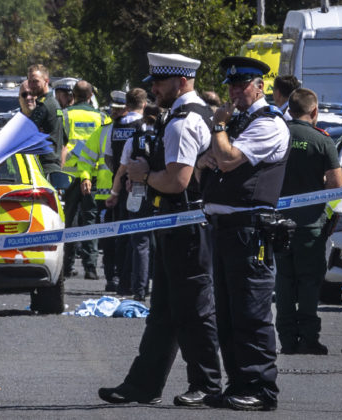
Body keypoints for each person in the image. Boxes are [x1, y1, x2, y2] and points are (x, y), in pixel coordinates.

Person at [98, 53, 222, 408]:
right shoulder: (195, 114)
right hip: (179, 225)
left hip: (185, 225)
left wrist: (143, 176)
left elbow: (176, 180)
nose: (153, 89)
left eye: (160, 82)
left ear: (181, 82)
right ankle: (142, 384)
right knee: (164, 311)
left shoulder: (183, 121)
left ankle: (207, 384)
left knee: (194, 311)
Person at [198, 56, 290, 411]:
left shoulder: (268, 123)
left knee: (251, 312)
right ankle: (238, 382)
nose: (235, 92)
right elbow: (208, 160)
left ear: (260, 86)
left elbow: (226, 159)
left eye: (242, 85)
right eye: (232, 86)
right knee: (229, 313)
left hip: (250, 230)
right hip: (224, 228)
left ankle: (261, 388)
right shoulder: (241, 120)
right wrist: (216, 148)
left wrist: (219, 129)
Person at [275, 88, 342, 355]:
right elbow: (336, 184)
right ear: (314, 111)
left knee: (283, 280)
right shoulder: (322, 140)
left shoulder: (278, 135)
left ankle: (287, 339)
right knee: (308, 282)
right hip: (310, 224)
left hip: (278, 223)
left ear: (289, 109)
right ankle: (309, 338)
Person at [62, 80, 110, 279]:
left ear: (73, 95)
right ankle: (90, 268)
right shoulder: (102, 117)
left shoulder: (64, 115)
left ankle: (66, 265)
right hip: (93, 175)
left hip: (69, 175)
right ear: (91, 96)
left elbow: (59, 144)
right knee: (90, 219)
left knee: (69, 221)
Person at [105, 88, 147, 295]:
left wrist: (116, 182)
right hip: (142, 185)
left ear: (127, 105)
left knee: (122, 234)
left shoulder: (115, 125)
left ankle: (121, 279)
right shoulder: (144, 126)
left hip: (120, 184)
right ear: (144, 104)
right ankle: (139, 281)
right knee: (142, 237)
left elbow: (109, 156)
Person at [27, 64, 64, 178]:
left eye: (35, 81)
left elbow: (25, 133)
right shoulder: (54, 103)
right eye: (30, 81)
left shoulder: (43, 105)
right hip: (53, 167)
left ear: (46, 81)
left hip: (44, 167)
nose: (32, 85)